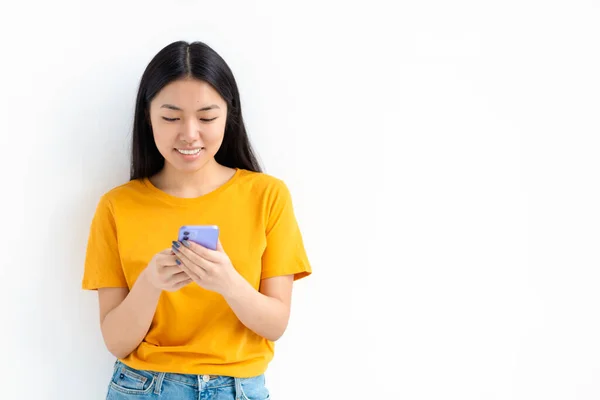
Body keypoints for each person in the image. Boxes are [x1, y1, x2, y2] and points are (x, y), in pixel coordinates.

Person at [81, 40, 312, 399]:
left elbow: (275, 324)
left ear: (228, 114)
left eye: (206, 117)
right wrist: (151, 283)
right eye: (171, 117)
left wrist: (227, 282)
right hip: (143, 387)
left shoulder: (268, 196)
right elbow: (115, 341)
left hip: (239, 389)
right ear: (148, 116)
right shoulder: (116, 206)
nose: (189, 133)